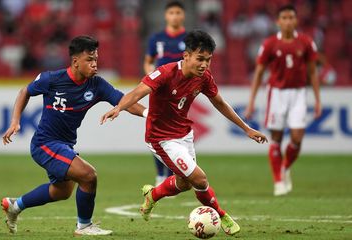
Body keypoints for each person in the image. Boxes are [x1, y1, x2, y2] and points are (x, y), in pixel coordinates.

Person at [102, 30, 268, 236]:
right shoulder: (165, 73)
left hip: (184, 135)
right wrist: (119, 107)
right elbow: (137, 92)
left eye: (208, 60)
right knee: (199, 179)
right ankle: (222, 214)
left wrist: (246, 128)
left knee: (184, 184)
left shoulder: (204, 78)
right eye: (200, 59)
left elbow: (220, 103)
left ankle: (152, 195)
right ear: (186, 56)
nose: (204, 64)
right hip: (161, 139)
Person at [1, 36, 146, 236]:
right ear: (75, 61)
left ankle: (14, 206)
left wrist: (148, 114)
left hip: (65, 145)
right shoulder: (51, 79)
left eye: (96, 59)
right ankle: (84, 226)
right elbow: (25, 91)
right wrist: (15, 121)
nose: (94, 64)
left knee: (61, 192)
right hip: (45, 144)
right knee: (88, 175)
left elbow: (124, 101)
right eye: (89, 59)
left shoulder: (97, 85)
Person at [244, 5, 322, 196]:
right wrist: (252, 101)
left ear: (295, 20)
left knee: (297, 137)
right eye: (284, 18)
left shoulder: (306, 42)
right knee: (276, 138)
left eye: (291, 17)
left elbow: (313, 72)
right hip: (276, 93)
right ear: (278, 21)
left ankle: (285, 168)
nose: (288, 21)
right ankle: (278, 181)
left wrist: (318, 100)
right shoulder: (270, 44)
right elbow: (259, 72)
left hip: (298, 93)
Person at [143, 1, 187, 186]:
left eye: (178, 12)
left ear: (183, 15)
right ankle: (160, 175)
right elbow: (148, 61)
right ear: (166, 16)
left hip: (180, 91)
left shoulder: (189, 39)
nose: (175, 16)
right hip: (160, 91)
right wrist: (152, 79)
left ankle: (172, 174)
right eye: (172, 13)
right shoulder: (157, 38)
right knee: (156, 131)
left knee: (176, 132)